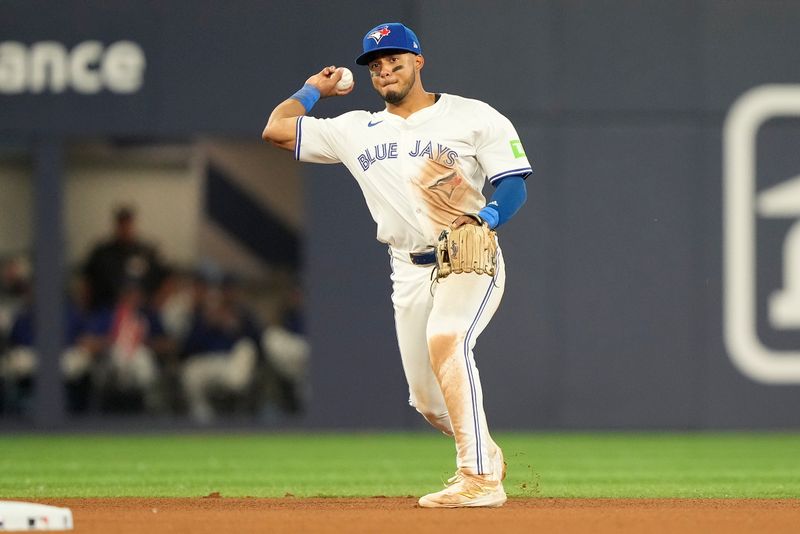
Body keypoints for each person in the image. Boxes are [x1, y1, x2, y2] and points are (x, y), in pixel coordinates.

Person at [262, 22, 530, 508]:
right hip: (407, 268)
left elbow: (513, 184)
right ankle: (484, 453)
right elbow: (276, 130)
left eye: (395, 60)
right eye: (376, 65)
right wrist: (312, 90)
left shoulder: (472, 116)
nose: (385, 70)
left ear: (418, 61)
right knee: (427, 401)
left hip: (466, 256)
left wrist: (485, 218)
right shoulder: (355, 130)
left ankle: (479, 478)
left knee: (447, 338)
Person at [83, 205, 167, 312]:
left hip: (142, 310)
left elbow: (167, 279)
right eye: (122, 224)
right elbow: (86, 282)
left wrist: (156, 302)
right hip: (107, 310)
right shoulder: (101, 253)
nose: (125, 228)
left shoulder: (147, 252)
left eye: (128, 224)